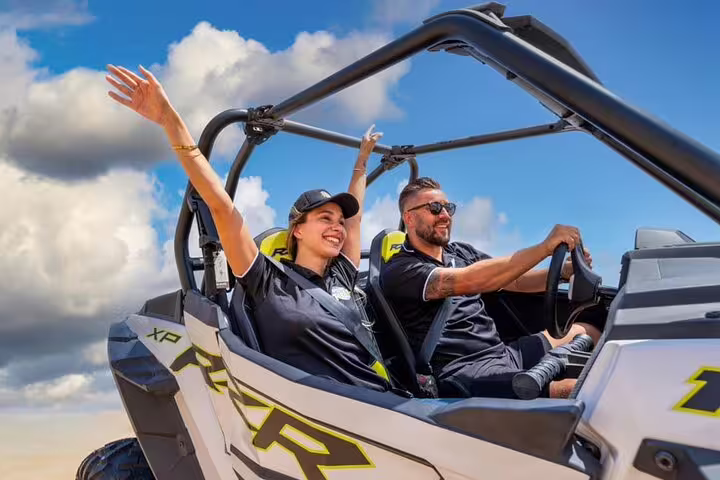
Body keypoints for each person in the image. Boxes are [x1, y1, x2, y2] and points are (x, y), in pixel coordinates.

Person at [105, 64, 392, 392]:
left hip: (383, 401)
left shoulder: (342, 272)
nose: (337, 227)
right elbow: (222, 208)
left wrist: (362, 162)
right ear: (296, 229)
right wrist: (170, 122)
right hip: (328, 417)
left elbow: (354, 223)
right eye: (325, 219)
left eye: (339, 222)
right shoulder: (267, 280)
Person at [380, 177, 602, 399]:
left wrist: (562, 272)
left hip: (502, 354)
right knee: (579, 391)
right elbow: (471, 280)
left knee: (588, 330)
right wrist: (544, 248)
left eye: (448, 207)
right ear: (409, 217)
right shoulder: (401, 269)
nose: (445, 215)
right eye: (435, 208)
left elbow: (514, 280)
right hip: (463, 372)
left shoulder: (461, 252)